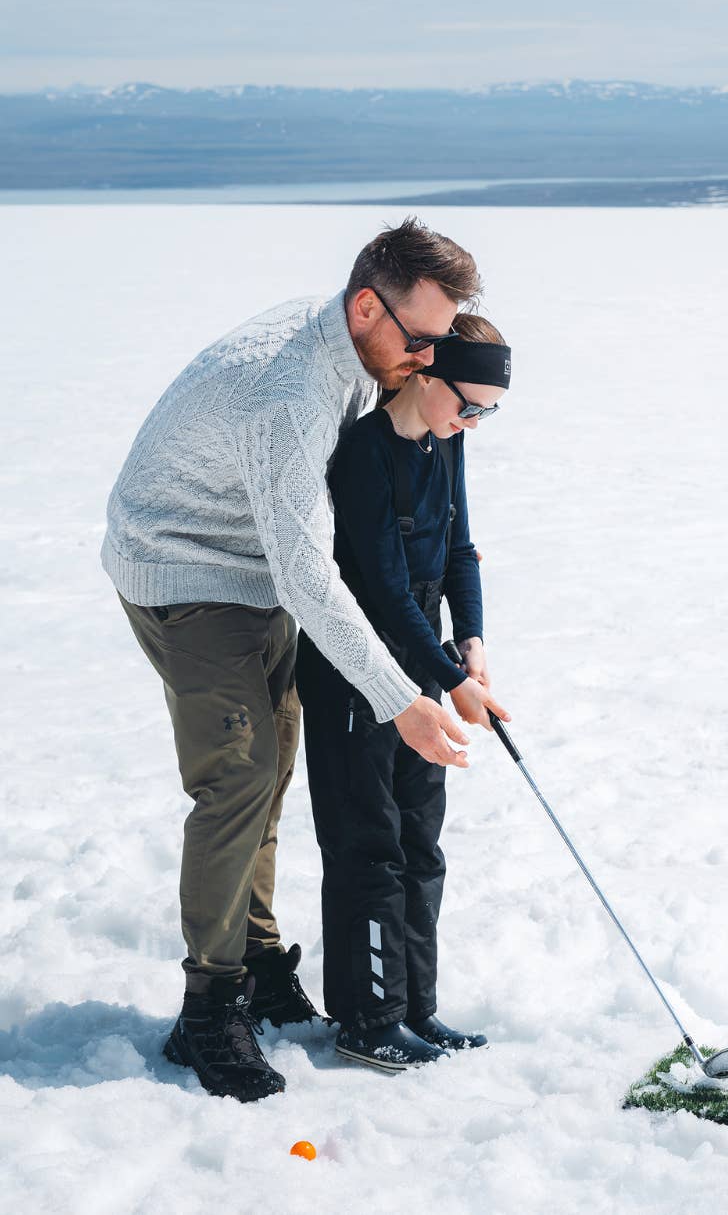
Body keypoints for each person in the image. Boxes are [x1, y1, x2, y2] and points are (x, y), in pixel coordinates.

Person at [106, 219, 481, 1102]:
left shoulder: (355, 348)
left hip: (254, 567)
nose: (428, 360)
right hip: (184, 566)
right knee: (236, 776)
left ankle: (260, 960)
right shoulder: (292, 394)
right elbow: (305, 570)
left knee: (269, 771)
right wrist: (401, 698)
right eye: (420, 339)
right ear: (364, 305)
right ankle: (209, 1006)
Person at [298, 313, 512, 1072]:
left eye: (488, 410)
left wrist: (472, 643)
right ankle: (367, 1016)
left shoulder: (444, 440)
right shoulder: (362, 452)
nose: (473, 422)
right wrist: (452, 679)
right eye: (468, 403)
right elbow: (383, 589)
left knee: (421, 841)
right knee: (370, 847)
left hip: (422, 651)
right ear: (424, 375)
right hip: (355, 663)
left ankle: (414, 1006)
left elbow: (458, 549)